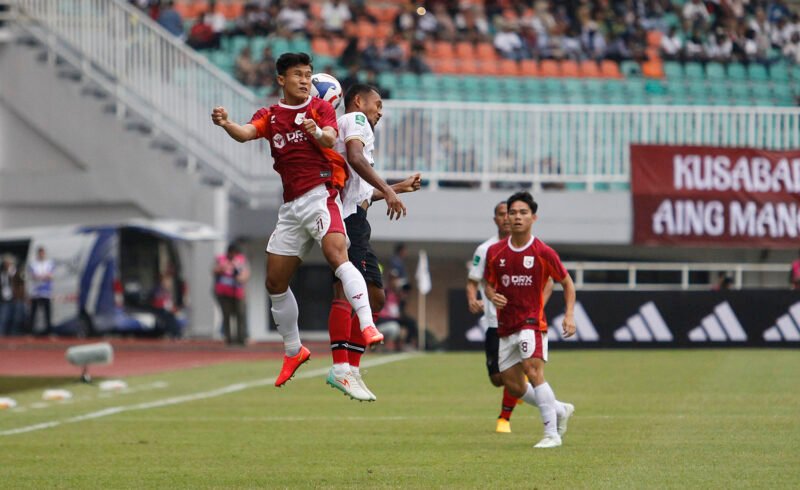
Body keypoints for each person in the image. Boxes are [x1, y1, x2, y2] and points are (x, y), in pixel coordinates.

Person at [211, 52, 405, 387]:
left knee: (337, 255)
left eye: (308, 74)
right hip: (291, 207)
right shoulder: (270, 116)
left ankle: (368, 325)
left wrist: (317, 132)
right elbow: (246, 133)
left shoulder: (320, 108)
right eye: (298, 74)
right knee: (274, 283)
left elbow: (331, 138)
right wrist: (227, 123)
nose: (304, 80)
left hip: (321, 194)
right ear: (280, 80)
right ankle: (293, 350)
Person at [325, 83, 422, 401]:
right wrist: (391, 191)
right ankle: (344, 368)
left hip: (353, 218)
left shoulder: (349, 126)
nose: (380, 111)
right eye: (377, 103)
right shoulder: (356, 121)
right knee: (357, 292)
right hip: (349, 221)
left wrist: (399, 187)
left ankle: (349, 368)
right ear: (357, 101)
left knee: (373, 298)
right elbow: (355, 158)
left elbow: (361, 190)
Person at [483, 191, 576, 448]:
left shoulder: (543, 251)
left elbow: (566, 283)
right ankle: (559, 408)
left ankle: (551, 434)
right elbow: (488, 284)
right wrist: (492, 295)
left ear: (533, 217)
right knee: (513, 386)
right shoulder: (495, 252)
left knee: (533, 372)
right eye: (512, 212)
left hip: (532, 322)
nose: (517, 217)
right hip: (505, 326)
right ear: (506, 219)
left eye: (523, 212)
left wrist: (569, 315)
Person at [466, 202, 519, 433]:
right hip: (493, 322)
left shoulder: (526, 247)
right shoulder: (485, 249)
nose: (506, 218)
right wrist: (471, 299)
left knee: (513, 375)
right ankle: (519, 385)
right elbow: (473, 281)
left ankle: (504, 419)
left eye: (510, 213)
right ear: (495, 219)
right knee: (497, 378)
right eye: (501, 214)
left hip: (519, 321)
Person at [213, 243, 250, 345]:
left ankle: (241, 338)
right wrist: (224, 267)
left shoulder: (241, 260)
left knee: (240, 314)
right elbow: (214, 270)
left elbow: (246, 274)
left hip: (238, 292)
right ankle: (228, 339)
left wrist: (240, 277)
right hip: (224, 293)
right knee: (226, 315)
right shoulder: (221, 260)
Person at [27, 247, 55, 336]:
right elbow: (34, 276)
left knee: (47, 313)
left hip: (46, 293)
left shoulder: (49, 264)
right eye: (40, 253)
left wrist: (41, 276)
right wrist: (44, 276)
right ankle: (31, 332)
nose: (41, 255)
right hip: (35, 292)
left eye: (42, 253)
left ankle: (49, 332)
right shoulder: (33, 264)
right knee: (33, 313)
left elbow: (50, 276)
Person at [0, 255, 15, 335]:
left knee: (10, 317)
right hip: (3, 298)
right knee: (3, 317)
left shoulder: (12, 272)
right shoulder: (2, 273)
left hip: (12, 297)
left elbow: (15, 279)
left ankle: (8, 334)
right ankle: (2, 334)